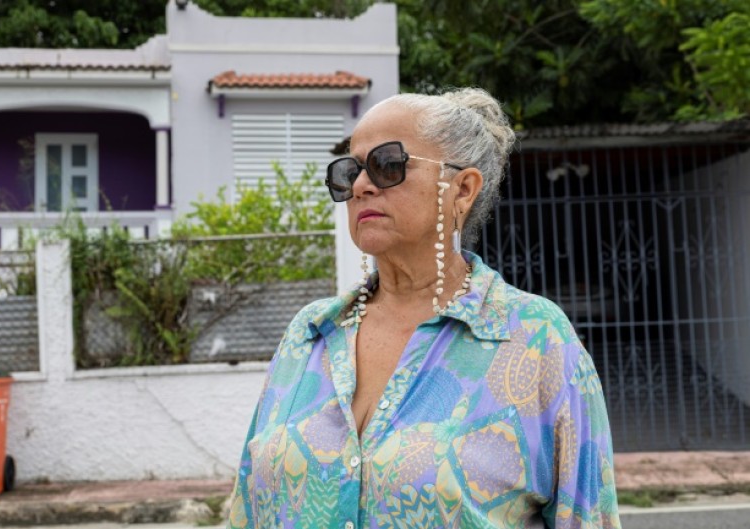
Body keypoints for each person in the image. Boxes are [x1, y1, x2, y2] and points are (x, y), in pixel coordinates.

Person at [225, 88, 621, 529]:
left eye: (388, 164)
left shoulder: (535, 339)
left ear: (463, 189)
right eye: (349, 171)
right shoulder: (310, 332)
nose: (360, 185)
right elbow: (247, 506)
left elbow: (587, 517)